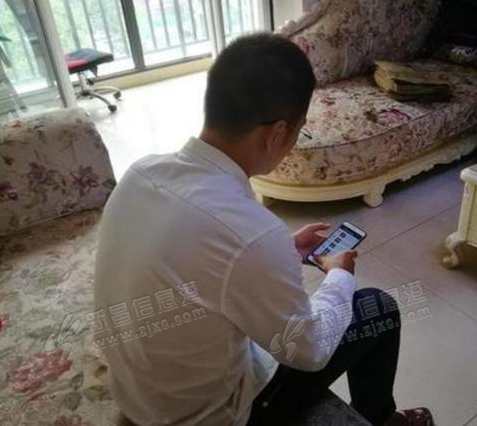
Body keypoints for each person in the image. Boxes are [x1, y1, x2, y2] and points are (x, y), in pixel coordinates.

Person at [94, 33, 434, 426]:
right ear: (276, 134)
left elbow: (204, 260)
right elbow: (309, 351)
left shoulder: (141, 174)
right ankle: (383, 418)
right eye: (299, 132)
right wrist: (340, 275)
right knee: (379, 308)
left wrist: (282, 249)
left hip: (139, 399)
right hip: (212, 417)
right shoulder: (251, 234)